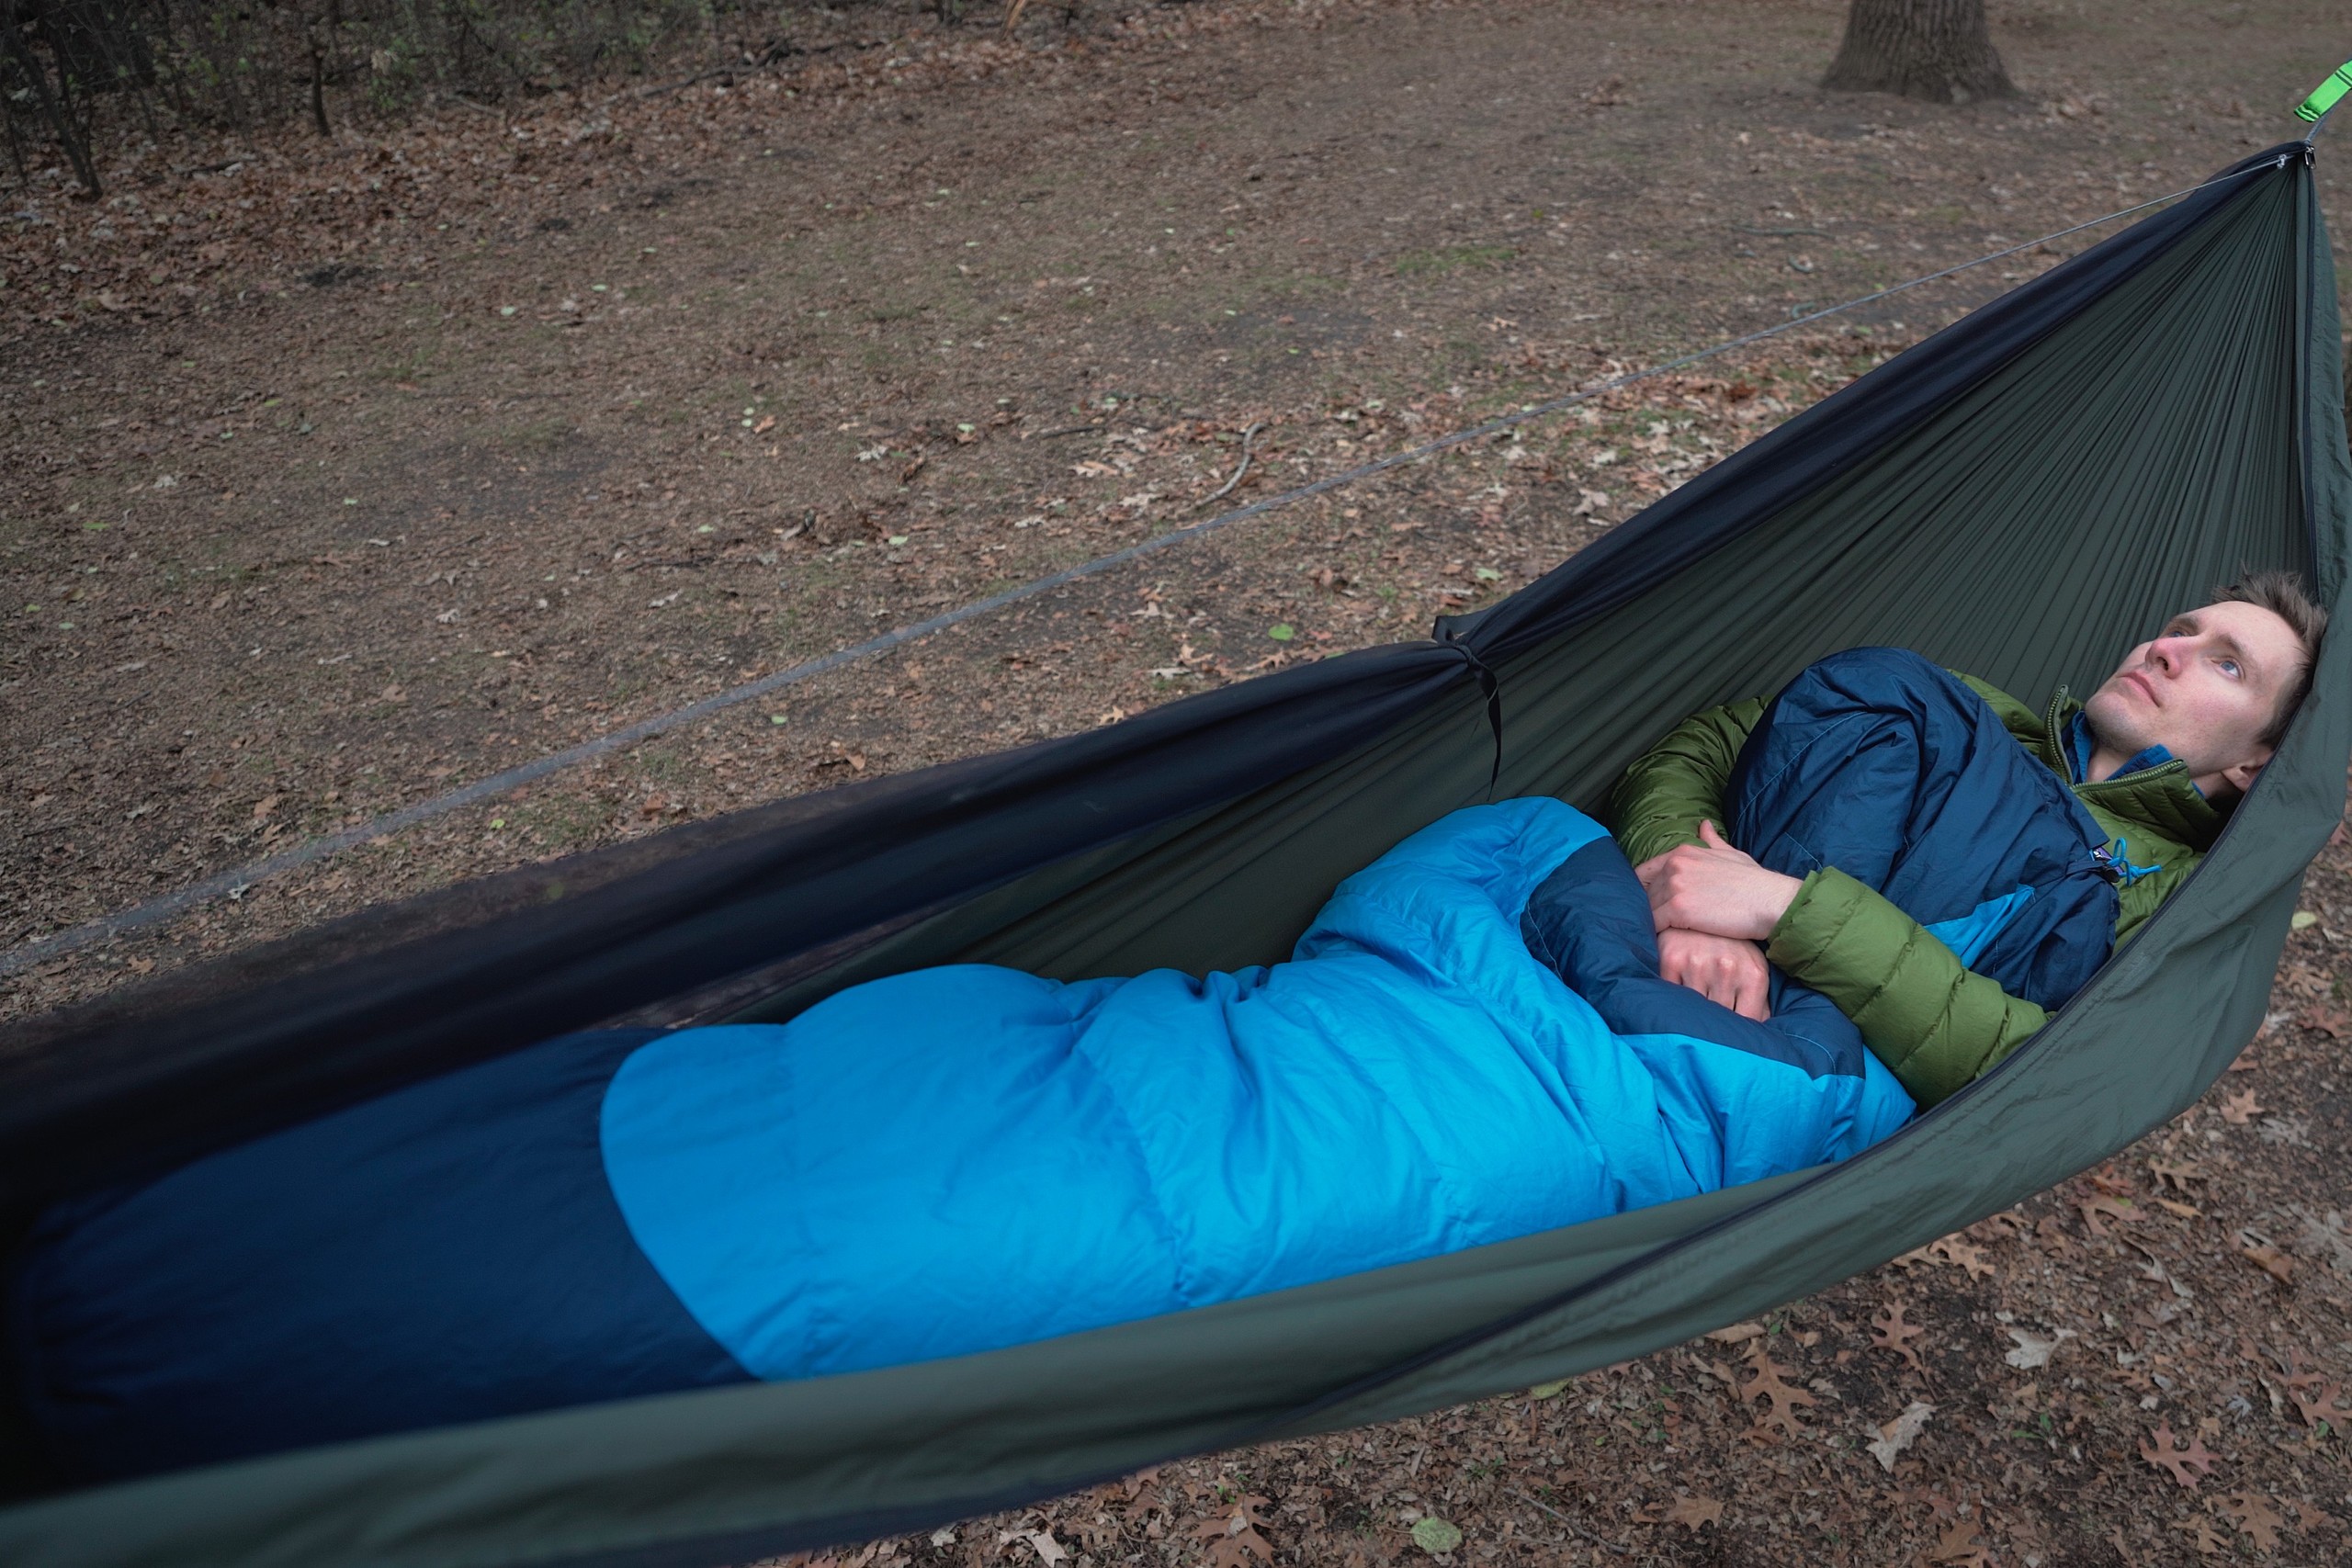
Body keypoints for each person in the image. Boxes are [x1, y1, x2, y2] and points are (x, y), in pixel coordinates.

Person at [1606, 571, 2325, 1106]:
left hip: (1782, 1073)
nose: (2169, 648)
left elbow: (2053, 1075)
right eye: (2181, 628)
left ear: (2255, 762)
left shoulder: (2182, 897)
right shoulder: (1966, 711)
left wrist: (1787, 911)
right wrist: (1685, 879)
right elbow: (1706, 747)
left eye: (2226, 663)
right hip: (1654, 946)